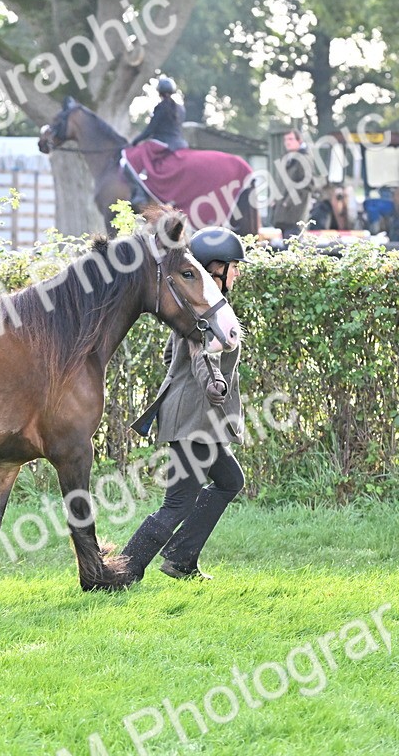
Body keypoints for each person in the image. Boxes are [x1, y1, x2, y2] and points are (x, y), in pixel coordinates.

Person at [122, 227, 248, 582]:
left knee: (229, 481)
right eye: (233, 266)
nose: (237, 273)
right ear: (215, 267)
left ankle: (181, 559)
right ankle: (125, 568)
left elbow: (170, 355)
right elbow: (201, 355)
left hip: (199, 418)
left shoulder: (202, 308)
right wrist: (213, 383)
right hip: (195, 419)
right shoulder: (204, 314)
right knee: (178, 502)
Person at [131, 77, 187, 150]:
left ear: (159, 92)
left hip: (162, 143)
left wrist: (135, 141)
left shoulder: (161, 107)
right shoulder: (181, 108)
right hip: (179, 143)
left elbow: (150, 130)